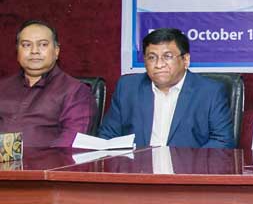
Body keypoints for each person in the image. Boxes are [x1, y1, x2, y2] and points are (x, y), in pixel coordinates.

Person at [99, 28, 234, 148]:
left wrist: (186, 164)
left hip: (187, 167)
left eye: (167, 57)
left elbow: (223, 141)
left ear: (186, 60)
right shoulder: (128, 87)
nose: (159, 65)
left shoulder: (210, 92)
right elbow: (108, 136)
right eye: (152, 57)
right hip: (137, 166)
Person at [0, 20, 95, 147]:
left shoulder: (75, 92)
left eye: (43, 45)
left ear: (56, 51)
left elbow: (70, 143)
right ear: (17, 51)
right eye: (26, 45)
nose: (34, 51)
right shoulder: (3, 87)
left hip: (46, 160)